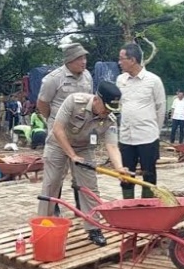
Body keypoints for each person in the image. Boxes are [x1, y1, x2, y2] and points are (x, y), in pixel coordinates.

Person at [37, 81, 128, 246]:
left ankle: (93, 228)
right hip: (58, 143)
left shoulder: (110, 118)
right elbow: (57, 129)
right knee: (51, 184)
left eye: (111, 110)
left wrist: (120, 168)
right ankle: (44, 225)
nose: (107, 112)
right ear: (97, 99)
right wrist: (71, 155)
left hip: (84, 148)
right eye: (106, 108)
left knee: (90, 187)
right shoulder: (74, 101)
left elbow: (112, 146)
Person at [37, 42, 93, 214]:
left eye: (84, 57)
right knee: (53, 179)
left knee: (85, 178)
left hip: (81, 137)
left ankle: (86, 215)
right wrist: (55, 122)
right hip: (58, 137)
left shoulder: (87, 76)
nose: (84, 62)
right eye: (79, 58)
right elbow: (42, 104)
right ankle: (49, 213)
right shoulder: (53, 79)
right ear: (69, 60)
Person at [116, 42, 166, 200]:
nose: (119, 62)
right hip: (126, 137)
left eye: (121, 58)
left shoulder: (153, 81)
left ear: (132, 60)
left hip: (147, 137)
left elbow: (161, 108)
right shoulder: (120, 80)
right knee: (125, 174)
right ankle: (128, 206)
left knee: (149, 173)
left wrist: (154, 131)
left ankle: (148, 206)